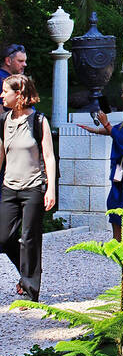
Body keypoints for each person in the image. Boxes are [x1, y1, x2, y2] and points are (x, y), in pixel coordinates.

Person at [0, 75, 56, 300]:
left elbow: (49, 157)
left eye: (5, 91)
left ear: (20, 94)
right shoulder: (3, 120)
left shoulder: (39, 121)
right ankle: (29, 269)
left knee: (30, 238)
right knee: (3, 238)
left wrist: (50, 188)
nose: (2, 95)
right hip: (8, 187)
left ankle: (30, 289)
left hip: (33, 187)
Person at [78, 78, 123, 237]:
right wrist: (94, 130)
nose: (122, 95)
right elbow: (119, 131)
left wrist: (106, 124)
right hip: (121, 168)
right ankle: (118, 240)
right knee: (115, 201)